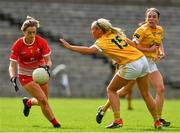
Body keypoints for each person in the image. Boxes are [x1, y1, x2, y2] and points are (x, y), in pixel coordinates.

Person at [59, 18, 162, 129]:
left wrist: (70, 47)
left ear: (99, 30)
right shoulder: (114, 34)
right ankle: (157, 121)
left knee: (111, 90)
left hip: (131, 64)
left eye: (92, 29)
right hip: (142, 60)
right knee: (146, 94)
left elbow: (88, 50)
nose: (91, 32)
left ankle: (117, 120)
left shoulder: (101, 41)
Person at [96, 8, 170, 127]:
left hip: (150, 63)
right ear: (146, 18)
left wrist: (161, 51)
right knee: (124, 91)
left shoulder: (160, 29)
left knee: (160, 89)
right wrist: (148, 50)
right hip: (138, 62)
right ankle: (104, 109)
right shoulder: (141, 30)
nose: (151, 18)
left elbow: (159, 42)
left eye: (154, 16)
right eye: (149, 16)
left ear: (158, 19)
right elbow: (132, 45)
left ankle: (159, 118)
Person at [8, 16, 61, 128]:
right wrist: (13, 77)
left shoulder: (41, 41)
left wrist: (47, 67)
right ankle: (56, 125)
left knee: (43, 100)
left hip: (41, 74)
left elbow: (49, 61)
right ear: (23, 31)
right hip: (25, 76)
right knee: (43, 101)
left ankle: (28, 103)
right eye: (29, 33)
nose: (32, 35)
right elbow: (12, 65)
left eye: (34, 32)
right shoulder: (18, 44)